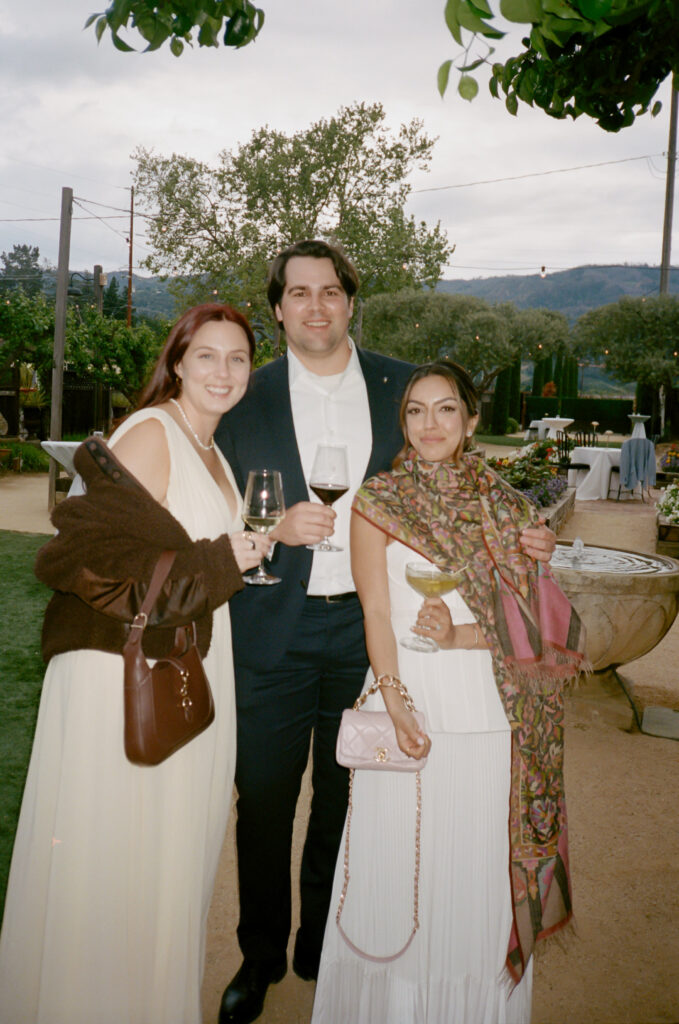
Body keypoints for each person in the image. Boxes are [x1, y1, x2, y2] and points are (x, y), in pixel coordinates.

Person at [214, 240, 558, 1024]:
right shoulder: (242, 394)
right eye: (298, 293)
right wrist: (265, 532)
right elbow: (215, 505)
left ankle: (320, 944)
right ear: (277, 310)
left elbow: (463, 481)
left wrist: (531, 535)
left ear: (349, 301)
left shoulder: (400, 386)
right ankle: (260, 956)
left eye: (330, 291)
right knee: (262, 800)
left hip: (371, 631)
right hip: (271, 624)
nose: (315, 307)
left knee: (350, 793)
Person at [0, 303, 271, 1024]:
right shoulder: (151, 433)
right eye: (206, 355)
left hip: (184, 659)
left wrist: (253, 545)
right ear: (177, 362)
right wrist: (225, 560)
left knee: (167, 861)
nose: (223, 371)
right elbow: (83, 557)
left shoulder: (211, 448)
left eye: (238, 358)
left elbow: (175, 547)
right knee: (119, 857)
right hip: (121, 677)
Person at [311, 360, 588, 1024]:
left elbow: (532, 624)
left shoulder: (509, 508)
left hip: (489, 711)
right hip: (408, 697)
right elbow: (377, 612)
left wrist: (517, 581)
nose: (428, 424)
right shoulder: (379, 499)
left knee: (473, 870)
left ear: (470, 421)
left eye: (444, 410)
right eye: (415, 410)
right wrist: (394, 698)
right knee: (396, 871)